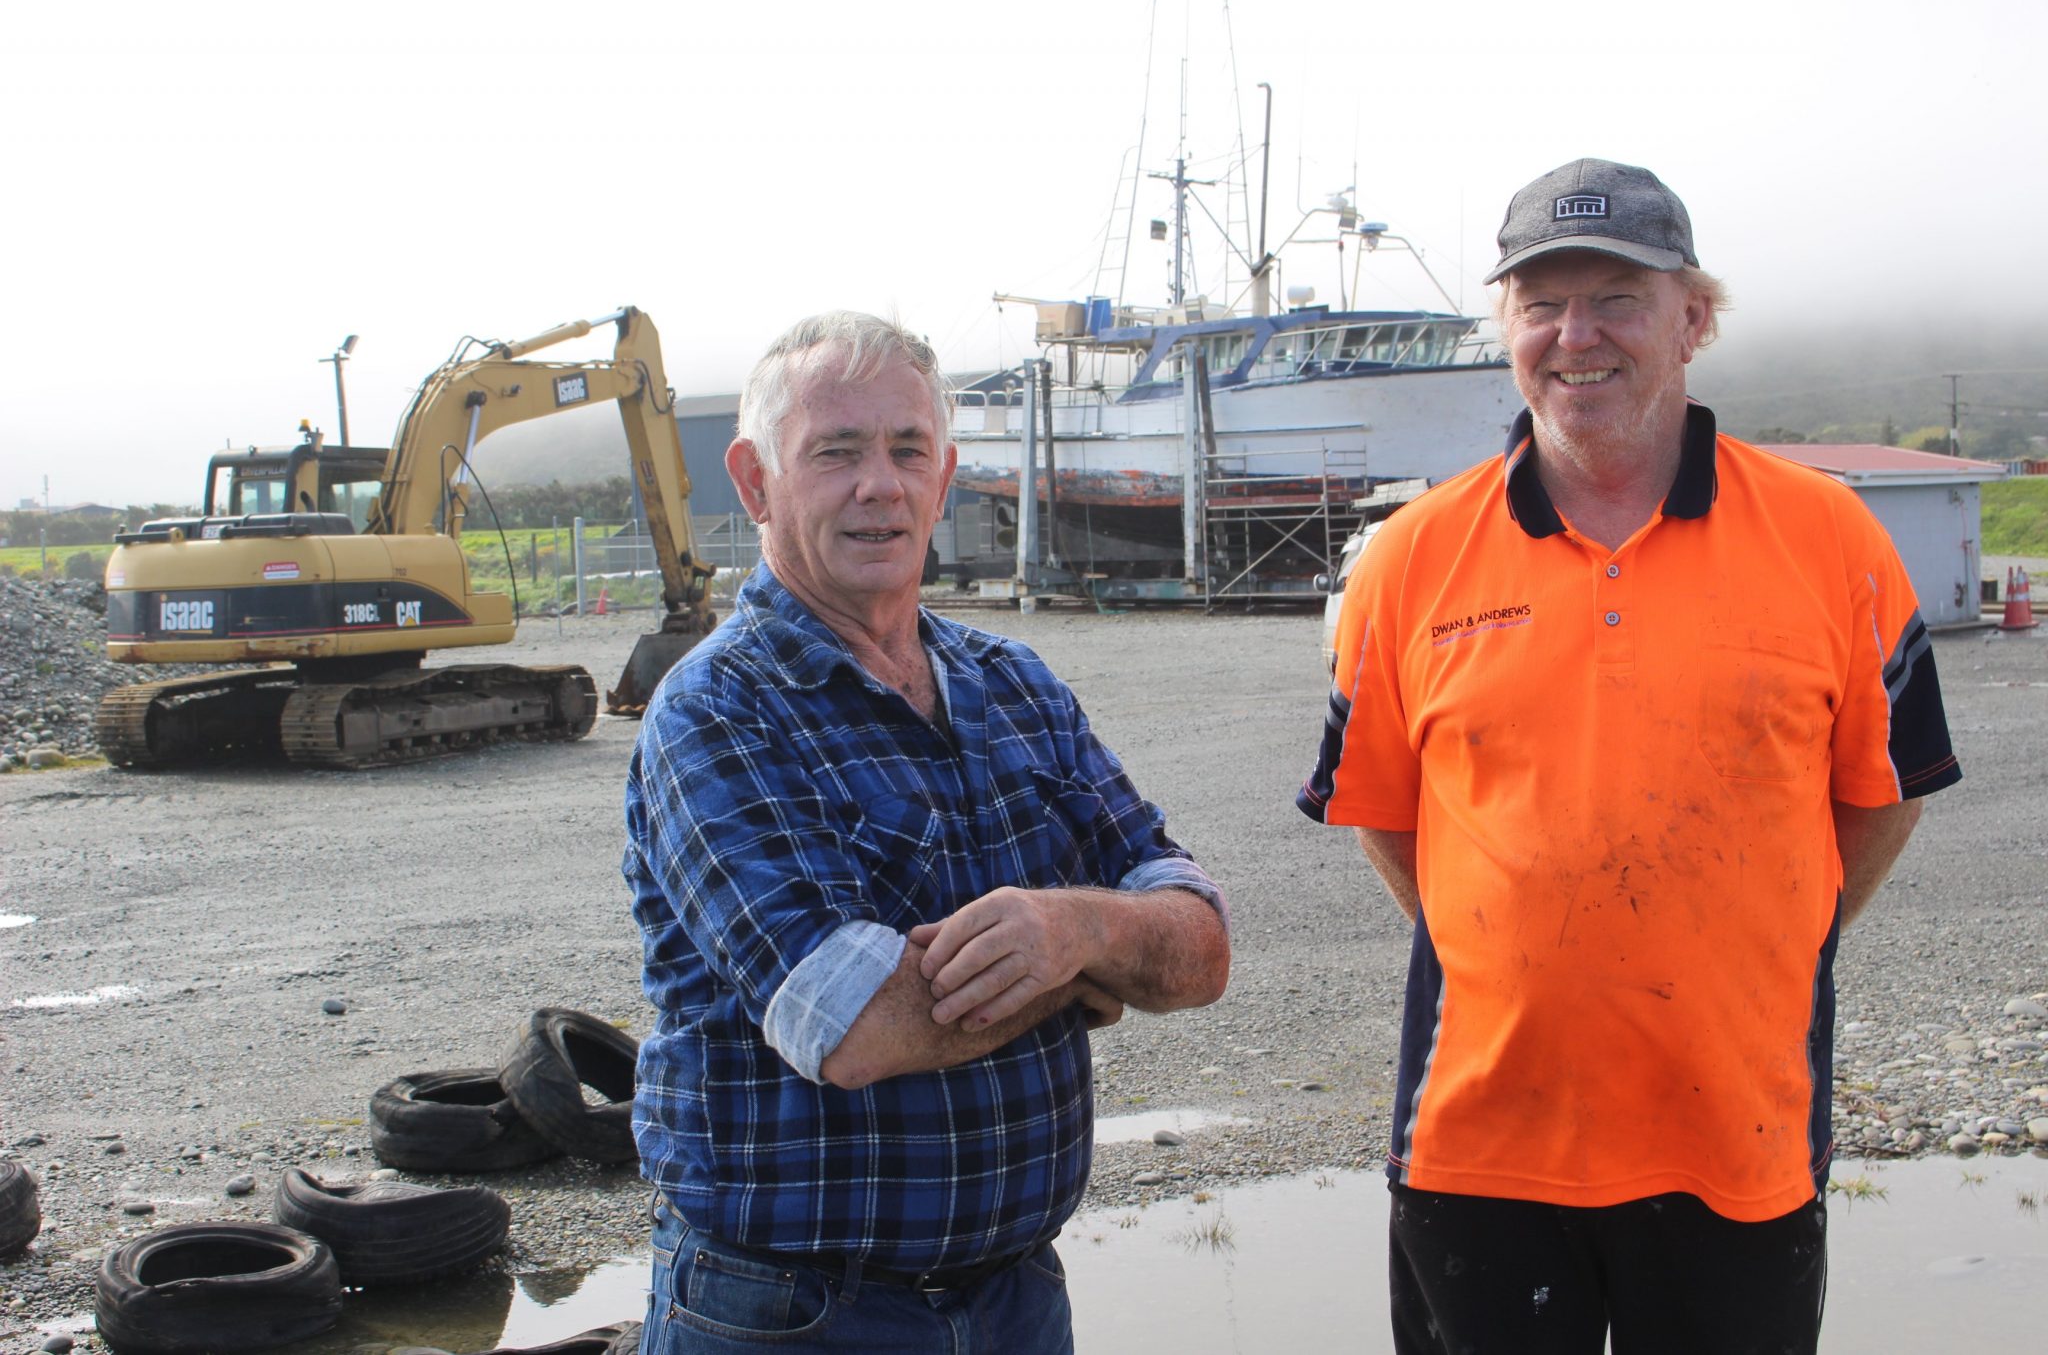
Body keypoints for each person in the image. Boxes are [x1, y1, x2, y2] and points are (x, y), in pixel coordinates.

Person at [1298, 158, 1960, 1354]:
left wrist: (1753, 942)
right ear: (1504, 324)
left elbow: (1879, 797)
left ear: (1692, 319)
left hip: (1737, 1142)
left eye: (1617, 297)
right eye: (1540, 303)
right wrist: (1515, 943)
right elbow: (1388, 818)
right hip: (1478, 1147)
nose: (1574, 335)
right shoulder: (1407, 560)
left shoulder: (1829, 539)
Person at [624, 310, 1231, 1353]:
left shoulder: (1015, 686)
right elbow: (857, 1029)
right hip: (787, 1318)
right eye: (836, 452)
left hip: (1014, 1305)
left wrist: (1071, 930)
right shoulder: (716, 712)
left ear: (944, 476)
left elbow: (1201, 949)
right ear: (756, 479)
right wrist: (1092, 962)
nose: (879, 485)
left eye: (907, 450)